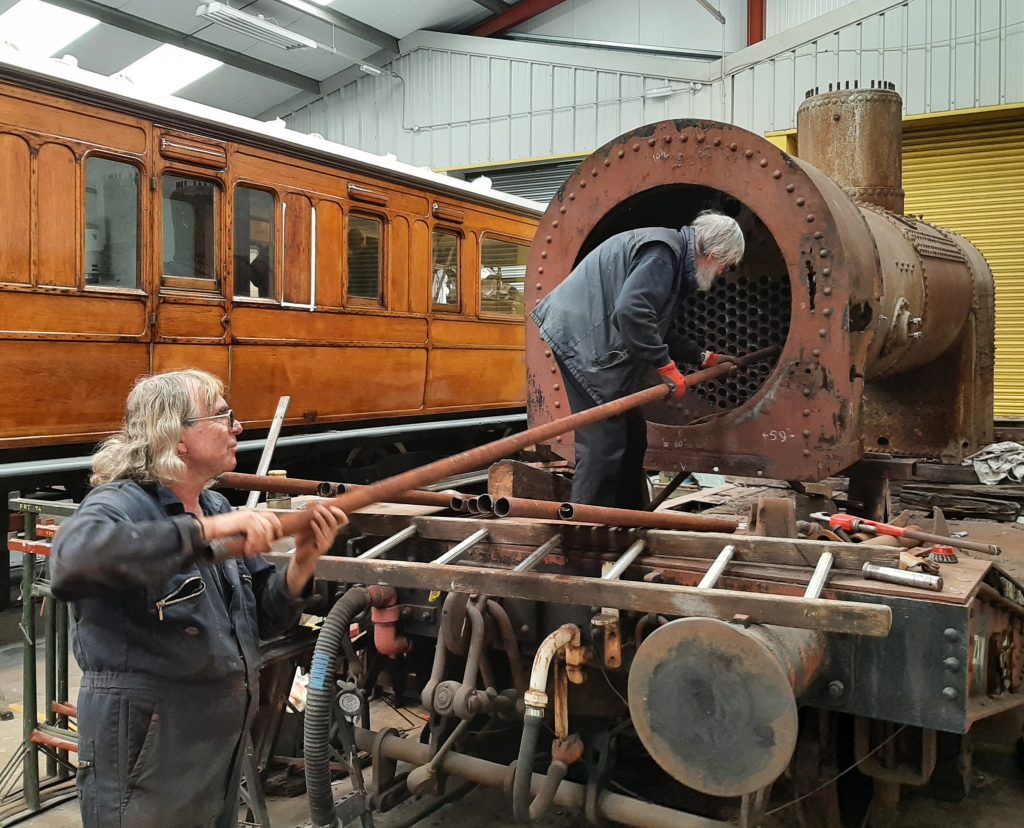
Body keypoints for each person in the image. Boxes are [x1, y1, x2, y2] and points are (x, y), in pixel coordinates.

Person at [50, 369, 347, 828]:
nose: (237, 426)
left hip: (217, 749)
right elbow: (71, 562)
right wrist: (205, 532)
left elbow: (262, 623)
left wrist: (303, 563)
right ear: (178, 436)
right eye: (223, 415)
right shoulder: (119, 504)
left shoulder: (216, 507)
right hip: (150, 751)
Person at [531, 210, 745, 509]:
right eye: (727, 265)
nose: (724, 273)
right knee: (603, 445)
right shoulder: (663, 254)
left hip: (590, 334)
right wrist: (665, 365)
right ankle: (586, 530)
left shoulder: (671, 257)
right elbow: (631, 313)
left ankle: (630, 520)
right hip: (581, 339)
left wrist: (703, 357)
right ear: (713, 253)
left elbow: (656, 327)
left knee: (634, 439)